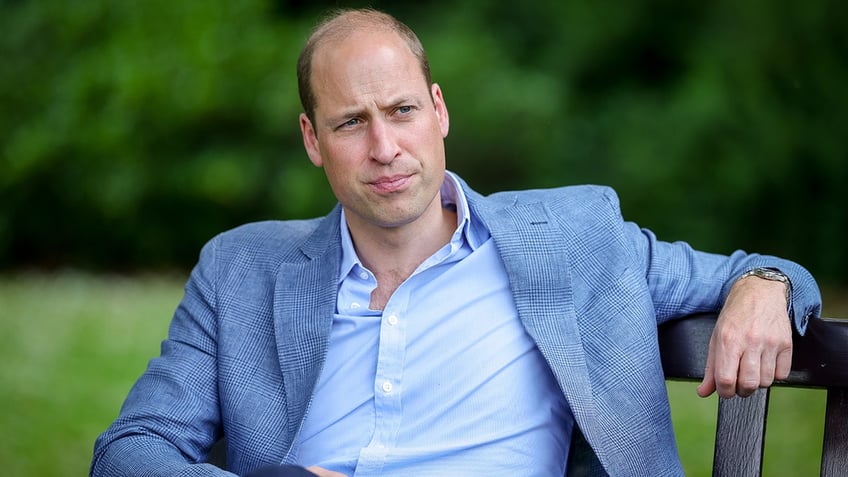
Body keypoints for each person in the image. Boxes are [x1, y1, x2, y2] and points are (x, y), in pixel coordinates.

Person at [90, 8, 822, 477]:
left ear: (438, 111)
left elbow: (758, 270)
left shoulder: (575, 238)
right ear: (312, 139)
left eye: (402, 110)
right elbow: (128, 453)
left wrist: (768, 283)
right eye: (351, 123)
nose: (384, 146)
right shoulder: (241, 268)